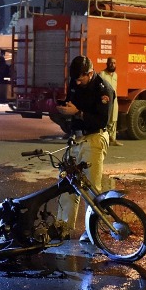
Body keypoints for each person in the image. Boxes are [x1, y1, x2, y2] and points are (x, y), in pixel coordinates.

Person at [55, 56, 114, 243]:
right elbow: (71, 104)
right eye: (75, 79)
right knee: (67, 183)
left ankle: (91, 231)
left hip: (94, 138)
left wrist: (78, 113)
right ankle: (63, 227)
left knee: (91, 188)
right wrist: (63, 111)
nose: (78, 83)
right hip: (76, 139)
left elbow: (101, 120)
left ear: (90, 73)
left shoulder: (103, 89)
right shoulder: (75, 83)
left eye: (81, 79)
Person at [100, 57, 122, 146]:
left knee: (114, 120)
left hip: (114, 101)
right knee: (105, 120)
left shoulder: (115, 75)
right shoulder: (102, 74)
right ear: (107, 63)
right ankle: (104, 140)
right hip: (105, 101)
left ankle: (113, 139)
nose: (112, 64)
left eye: (114, 63)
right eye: (111, 63)